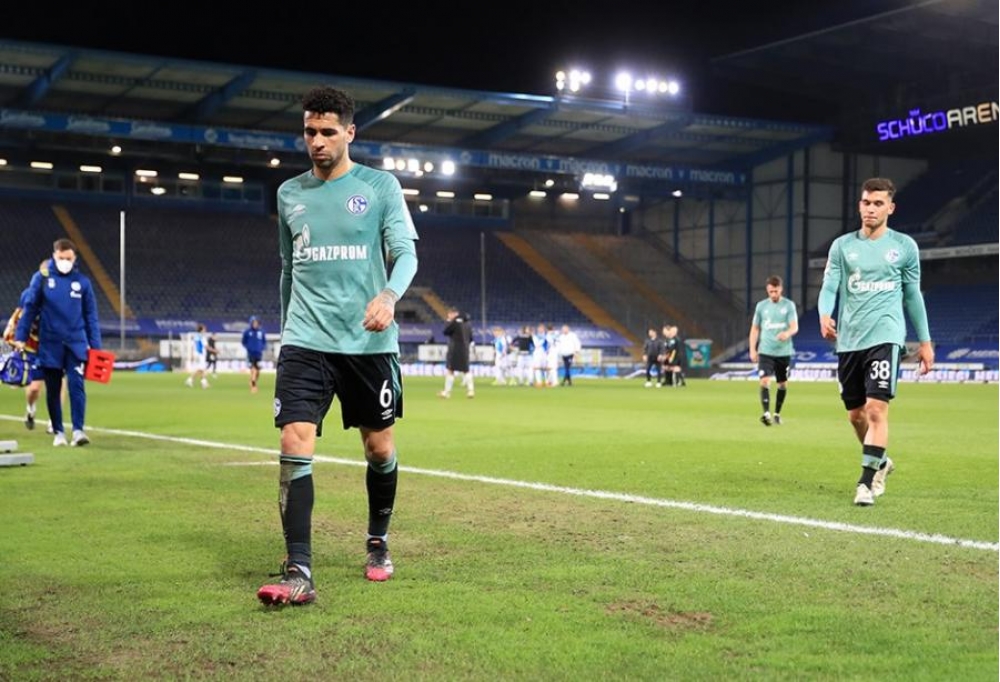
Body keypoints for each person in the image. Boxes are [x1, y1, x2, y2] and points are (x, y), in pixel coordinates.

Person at [256, 85, 419, 606]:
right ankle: (299, 568)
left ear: (350, 132)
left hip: (368, 343)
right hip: (305, 340)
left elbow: (406, 254)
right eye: (310, 132)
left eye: (328, 131)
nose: (317, 141)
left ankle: (377, 540)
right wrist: (287, 330)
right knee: (293, 442)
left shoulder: (380, 187)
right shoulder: (289, 194)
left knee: (379, 448)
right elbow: (288, 268)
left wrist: (389, 296)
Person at [818, 177, 934, 507]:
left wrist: (925, 341)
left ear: (890, 208)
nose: (871, 208)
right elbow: (830, 286)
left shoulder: (904, 247)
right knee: (856, 416)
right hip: (849, 341)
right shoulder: (842, 246)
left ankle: (866, 483)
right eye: (867, 202)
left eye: (878, 203)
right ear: (860, 205)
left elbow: (912, 296)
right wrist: (824, 313)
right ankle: (881, 461)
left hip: (886, 335)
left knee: (876, 409)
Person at [13, 239, 101, 447]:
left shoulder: (83, 282)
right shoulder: (42, 279)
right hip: (50, 344)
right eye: (61, 258)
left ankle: (78, 431)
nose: (65, 262)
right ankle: (59, 432)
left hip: (76, 344)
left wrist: (96, 347)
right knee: (53, 388)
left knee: (76, 385)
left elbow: (91, 316)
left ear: (75, 258)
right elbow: (30, 309)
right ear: (54, 256)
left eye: (69, 258)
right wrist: (20, 337)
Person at [748, 276, 797, 423]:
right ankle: (766, 414)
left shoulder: (789, 305)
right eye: (771, 292)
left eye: (776, 291)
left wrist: (787, 333)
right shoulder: (761, 306)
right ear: (767, 290)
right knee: (764, 380)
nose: (774, 294)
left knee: (782, 384)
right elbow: (755, 329)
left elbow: (794, 327)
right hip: (765, 351)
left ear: (781, 289)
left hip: (783, 352)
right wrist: (752, 349)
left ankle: (777, 414)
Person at [439, 307, 474, 398]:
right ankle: (470, 391)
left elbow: (446, 332)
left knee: (450, 370)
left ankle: (447, 392)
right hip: (465, 349)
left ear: (454, 314)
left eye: (450, 314)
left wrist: (449, 322)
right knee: (466, 370)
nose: (449, 316)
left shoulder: (454, 323)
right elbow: (471, 338)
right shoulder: (467, 323)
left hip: (454, 349)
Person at [241, 315, 267, 393]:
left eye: (256, 322)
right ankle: (253, 386)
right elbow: (243, 342)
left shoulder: (261, 332)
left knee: (258, 371)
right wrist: (248, 348)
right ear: (251, 323)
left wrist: (262, 347)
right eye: (254, 322)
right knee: (253, 369)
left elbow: (264, 341)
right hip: (250, 354)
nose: (255, 324)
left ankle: (253, 381)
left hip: (259, 354)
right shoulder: (247, 332)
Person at [184, 323, 210, 389]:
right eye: (204, 329)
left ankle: (203, 383)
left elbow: (193, 346)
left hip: (196, 354)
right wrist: (214, 350)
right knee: (201, 369)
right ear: (201, 330)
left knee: (202, 369)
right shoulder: (202, 337)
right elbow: (206, 347)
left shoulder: (196, 337)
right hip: (201, 355)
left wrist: (192, 355)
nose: (205, 330)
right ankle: (190, 380)